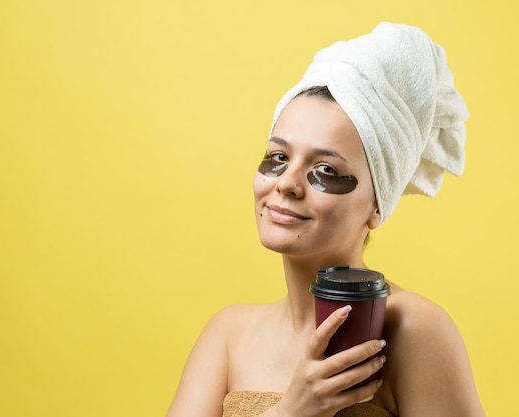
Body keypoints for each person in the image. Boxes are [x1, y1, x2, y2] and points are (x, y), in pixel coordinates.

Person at [166, 22, 485, 417]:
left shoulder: (414, 329)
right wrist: (293, 410)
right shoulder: (227, 335)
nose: (287, 183)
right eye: (278, 157)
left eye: (327, 170)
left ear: (377, 205)